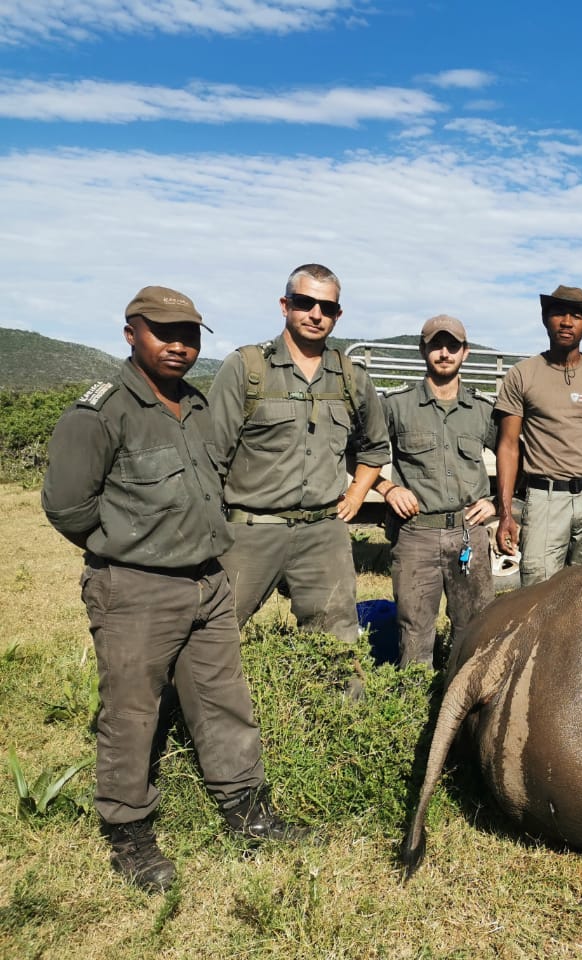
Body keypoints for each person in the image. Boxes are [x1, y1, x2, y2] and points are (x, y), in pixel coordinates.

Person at [41, 286, 304, 893]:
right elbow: (66, 507)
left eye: (189, 336)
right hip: (137, 588)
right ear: (130, 332)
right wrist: (128, 549)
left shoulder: (197, 404)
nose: (179, 346)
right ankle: (128, 832)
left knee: (222, 699)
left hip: (208, 579)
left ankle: (246, 811)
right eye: (164, 333)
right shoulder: (102, 412)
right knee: (133, 713)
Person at [207, 264, 389, 649]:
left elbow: (374, 447)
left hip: (323, 534)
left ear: (338, 315)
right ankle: (178, 710)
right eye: (304, 302)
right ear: (284, 305)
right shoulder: (246, 368)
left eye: (326, 307)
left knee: (337, 644)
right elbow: (210, 456)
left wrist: (355, 495)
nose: (315, 314)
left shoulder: (351, 377)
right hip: (251, 530)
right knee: (212, 633)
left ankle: (337, 711)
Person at [493, 285, 582, 586]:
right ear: (546, 319)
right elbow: (508, 447)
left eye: (576, 316)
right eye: (559, 313)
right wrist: (505, 513)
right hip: (545, 496)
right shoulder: (522, 374)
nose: (567, 322)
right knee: (538, 588)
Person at [379, 314, 496, 668]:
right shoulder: (396, 406)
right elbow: (358, 452)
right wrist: (386, 488)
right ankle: (414, 706)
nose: (444, 353)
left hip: (468, 534)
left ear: (466, 353)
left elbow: (514, 458)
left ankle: (465, 707)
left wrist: (497, 505)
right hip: (416, 533)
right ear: (422, 349)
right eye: (436, 345)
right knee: (414, 629)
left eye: (452, 346)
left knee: (475, 627)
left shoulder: (482, 410)